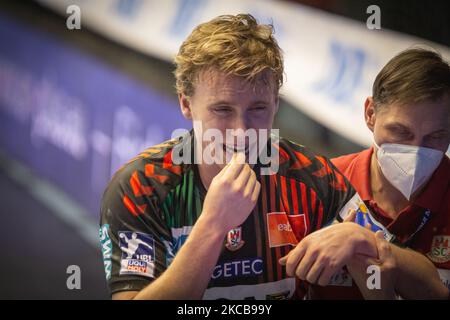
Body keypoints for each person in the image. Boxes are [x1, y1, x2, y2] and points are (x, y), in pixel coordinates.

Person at [99, 13, 369, 300]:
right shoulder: (140, 187)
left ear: (276, 103)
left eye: (258, 108)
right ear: (186, 104)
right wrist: (213, 225)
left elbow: (401, 281)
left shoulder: (315, 179)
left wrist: (363, 243)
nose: (241, 132)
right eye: (223, 110)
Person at [283, 48, 450, 299]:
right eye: (400, 132)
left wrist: (364, 242)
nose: (416, 151)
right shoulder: (323, 183)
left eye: (435, 136)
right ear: (370, 113)